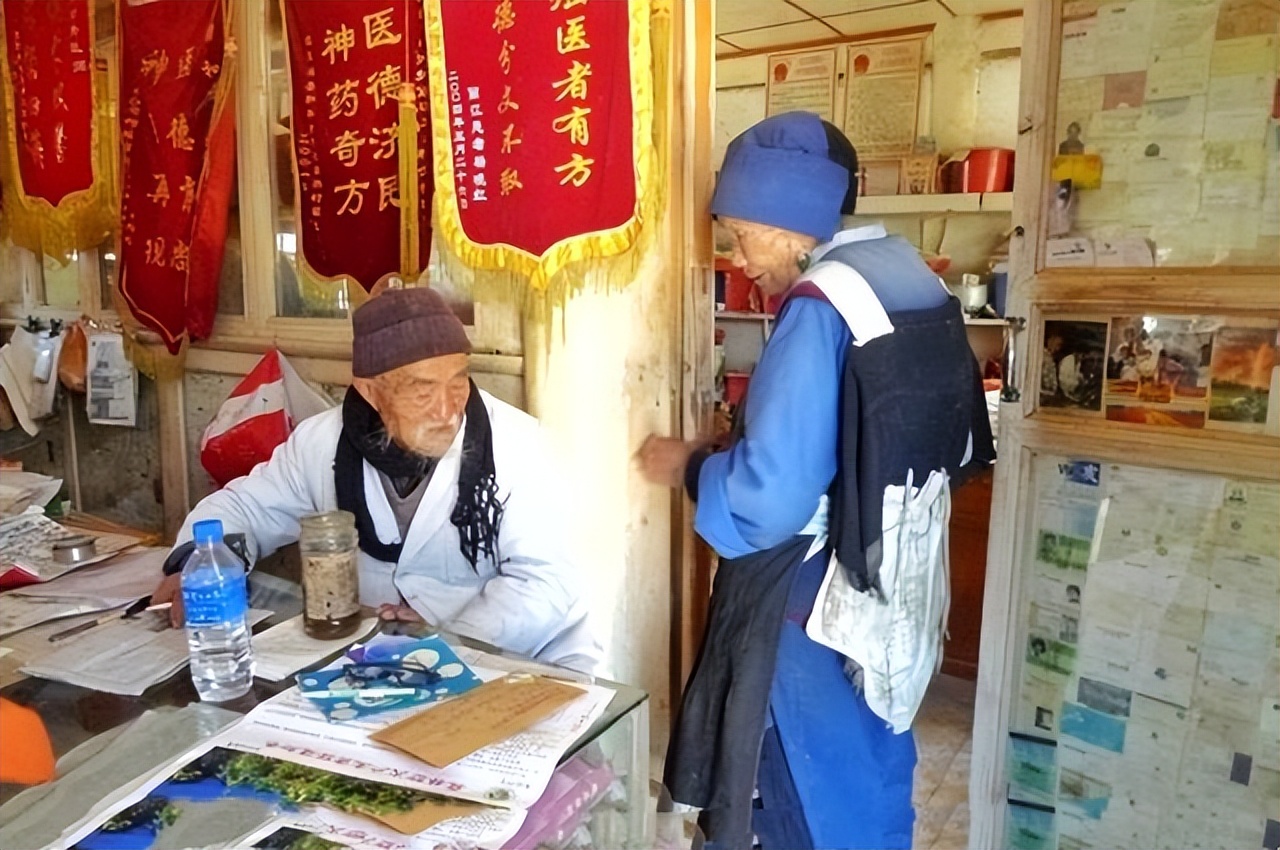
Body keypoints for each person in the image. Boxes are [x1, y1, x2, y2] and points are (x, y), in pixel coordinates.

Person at [639, 112, 993, 850]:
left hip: (812, 603)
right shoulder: (912, 279)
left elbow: (769, 500)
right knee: (871, 767)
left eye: (743, 235)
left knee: (800, 790)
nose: (740, 259)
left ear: (791, 223)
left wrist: (693, 466)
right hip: (897, 583)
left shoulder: (820, 305)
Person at [151, 287, 600, 673]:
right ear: (369, 390)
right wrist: (199, 563)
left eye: (458, 382)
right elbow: (245, 508)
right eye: (422, 390)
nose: (447, 410)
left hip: (517, 662)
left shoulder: (521, 446)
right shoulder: (321, 443)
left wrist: (445, 640)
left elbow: (543, 583)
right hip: (384, 661)